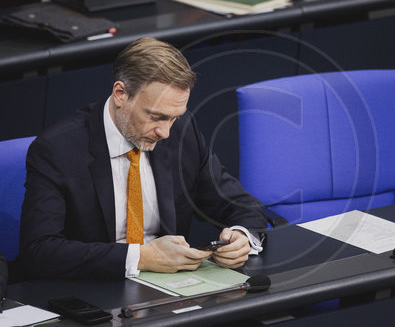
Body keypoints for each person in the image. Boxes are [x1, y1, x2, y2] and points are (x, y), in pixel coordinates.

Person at [17, 37, 268, 280]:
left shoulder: (181, 133)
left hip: (173, 288)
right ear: (120, 94)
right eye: (156, 116)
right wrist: (141, 257)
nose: (165, 132)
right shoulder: (58, 149)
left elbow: (241, 205)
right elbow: (39, 251)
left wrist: (240, 236)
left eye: (174, 117)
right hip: (96, 288)